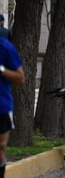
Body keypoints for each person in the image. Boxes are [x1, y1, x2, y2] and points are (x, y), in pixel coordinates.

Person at [0, 38, 25, 178]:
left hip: (2, 106)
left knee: (1, 147)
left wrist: (1, 69)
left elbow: (21, 78)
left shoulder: (6, 48)